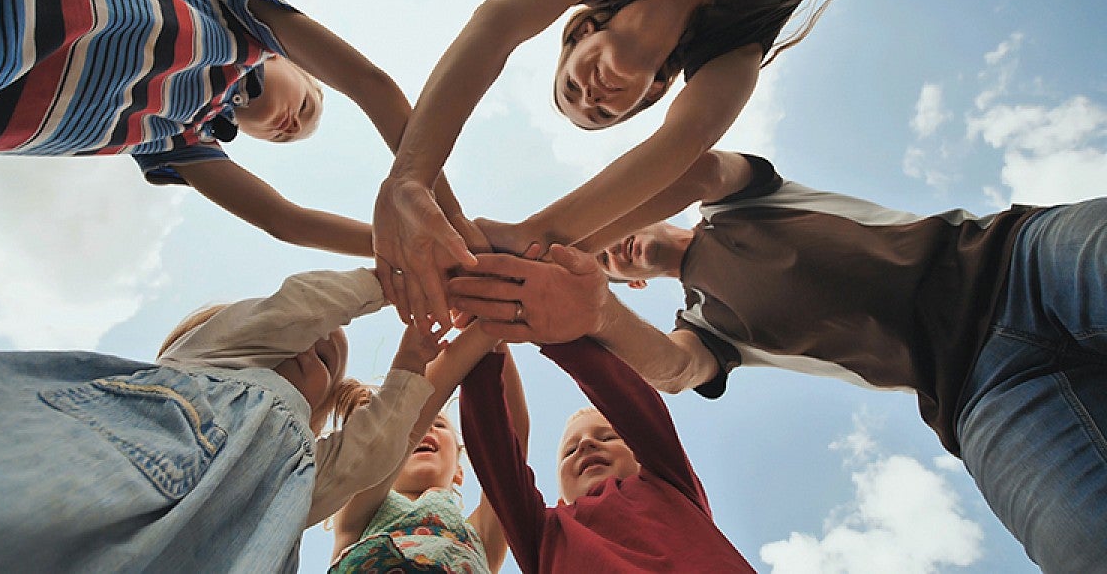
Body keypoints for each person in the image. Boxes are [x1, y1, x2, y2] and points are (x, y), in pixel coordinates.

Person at [447, 151, 1107, 573]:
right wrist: (554, 315)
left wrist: (553, 242)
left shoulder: (737, 201)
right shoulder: (708, 333)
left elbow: (696, 166)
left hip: (1016, 263)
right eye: (607, 258)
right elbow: (664, 377)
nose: (613, 247)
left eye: (613, 231)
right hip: (979, 397)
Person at [372, 0, 900, 329]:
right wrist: (542, 238)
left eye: (572, 85)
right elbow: (686, 141)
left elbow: (497, 24)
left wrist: (410, 179)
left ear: (581, 34)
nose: (591, 96)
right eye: (602, 114)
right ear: (653, 93)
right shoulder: (734, 50)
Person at [0, 0, 472, 257]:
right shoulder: (236, 21)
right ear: (285, 62)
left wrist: (409, 248)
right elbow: (371, 84)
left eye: (287, 136)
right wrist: (444, 213)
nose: (290, 123)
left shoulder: (178, 138)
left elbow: (284, 220)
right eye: (306, 107)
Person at [0, 267, 450, 572]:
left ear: (317, 416)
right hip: (96, 459)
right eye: (315, 336)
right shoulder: (208, 358)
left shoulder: (304, 475)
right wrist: (394, 282)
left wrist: (412, 357)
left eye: (328, 363)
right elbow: (301, 308)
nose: (320, 342)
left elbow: (374, 449)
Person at [458, 337, 754, 573]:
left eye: (608, 436)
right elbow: (495, 454)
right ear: (560, 498)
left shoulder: (668, 483)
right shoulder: (544, 532)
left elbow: (627, 398)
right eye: (570, 450)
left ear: (640, 457)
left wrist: (551, 332)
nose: (586, 444)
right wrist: (482, 339)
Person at [329, 346, 526, 573]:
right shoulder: (359, 507)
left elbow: (512, 443)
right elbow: (393, 434)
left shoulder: (479, 535)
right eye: (418, 424)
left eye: (440, 424)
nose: (427, 428)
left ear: (459, 472)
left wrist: (496, 339)